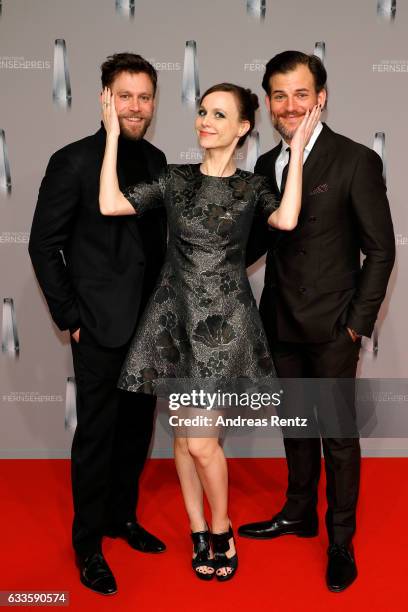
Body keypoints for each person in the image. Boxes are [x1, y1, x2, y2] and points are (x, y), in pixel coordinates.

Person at [99, 81, 321, 581]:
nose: (206, 121)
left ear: (243, 128)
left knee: (201, 441)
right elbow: (111, 204)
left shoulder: (253, 186)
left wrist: (298, 153)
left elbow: (286, 219)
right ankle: (199, 529)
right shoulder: (173, 179)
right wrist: (113, 134)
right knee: (184, 438)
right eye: (202, 112)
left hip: (224, 326)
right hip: (173, 319)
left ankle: (222, 531)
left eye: (220, 115)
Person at [239, 50, 395, 592]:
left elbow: (381, 250)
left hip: (332, 326)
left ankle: (340, 540)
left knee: (337, 435)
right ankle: (298, 512)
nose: (289, 105)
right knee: (296, 428)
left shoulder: (355, 160)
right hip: (279, 320)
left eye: (300, 93)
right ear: (267, 103)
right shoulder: (264, 166)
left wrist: (357, 324)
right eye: (278, 95)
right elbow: (256, 244)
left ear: (320, 97)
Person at [28, 53, 168, 596]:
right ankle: (87, 545)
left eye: (144, 96)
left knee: (136, 432)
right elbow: (44, 246)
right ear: (105, 98)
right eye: (125, 95)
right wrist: (71, 318)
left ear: (155, 102)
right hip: (99, 326)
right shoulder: (73, 162)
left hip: (147, 328)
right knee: (97, 438)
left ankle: (121, 519)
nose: (136, 106)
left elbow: (157, 248)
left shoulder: (157, 161)